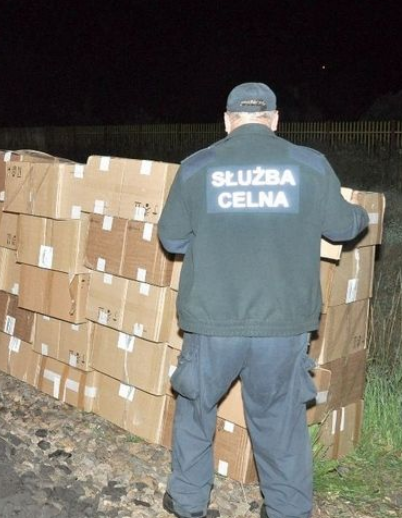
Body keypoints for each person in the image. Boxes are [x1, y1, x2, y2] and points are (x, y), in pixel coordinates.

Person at [158, 83, 369, 518]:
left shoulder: (197, 167)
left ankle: (188, 503)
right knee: (280, 422)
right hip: (283, 325)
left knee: (196, 411)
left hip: (212, 322)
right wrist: (362, 212)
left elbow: (172, 237)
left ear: (227, 120)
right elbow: (344, 228)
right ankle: (288, 510)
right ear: (274, 119)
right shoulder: (309, 165)